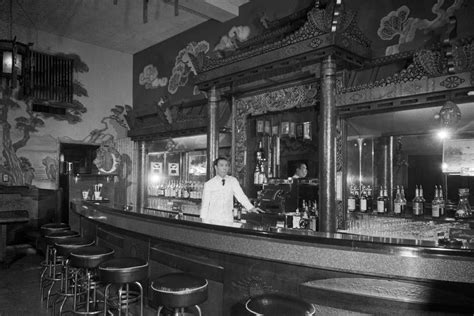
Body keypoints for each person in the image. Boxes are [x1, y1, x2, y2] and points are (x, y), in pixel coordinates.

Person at [200, 157, 260, 224]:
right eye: (222, 165)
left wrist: (251, 208)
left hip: (228, 220)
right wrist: (204, 221)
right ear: (216, 167)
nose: (224, 168)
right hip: (213, 220)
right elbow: (205, 205)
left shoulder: (233, 181)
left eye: (226, 165)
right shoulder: (209, 184)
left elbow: (241, 196)